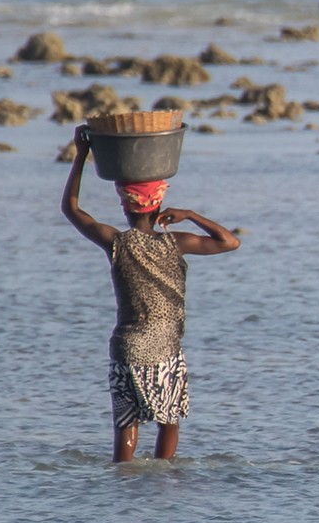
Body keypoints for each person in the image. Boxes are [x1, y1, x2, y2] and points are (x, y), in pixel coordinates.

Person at [61, 125, 240, 462]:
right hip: (163, 348)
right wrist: (190, 214)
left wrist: (81, 154)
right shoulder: (176, 243)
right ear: (159, 209)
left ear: (125, 209)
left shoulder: (116, 242)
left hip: (125, 346)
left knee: (126, 424)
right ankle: (164, 478)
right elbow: (230, 242)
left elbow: (71, 210)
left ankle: (123, 481)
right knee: (168, 421)